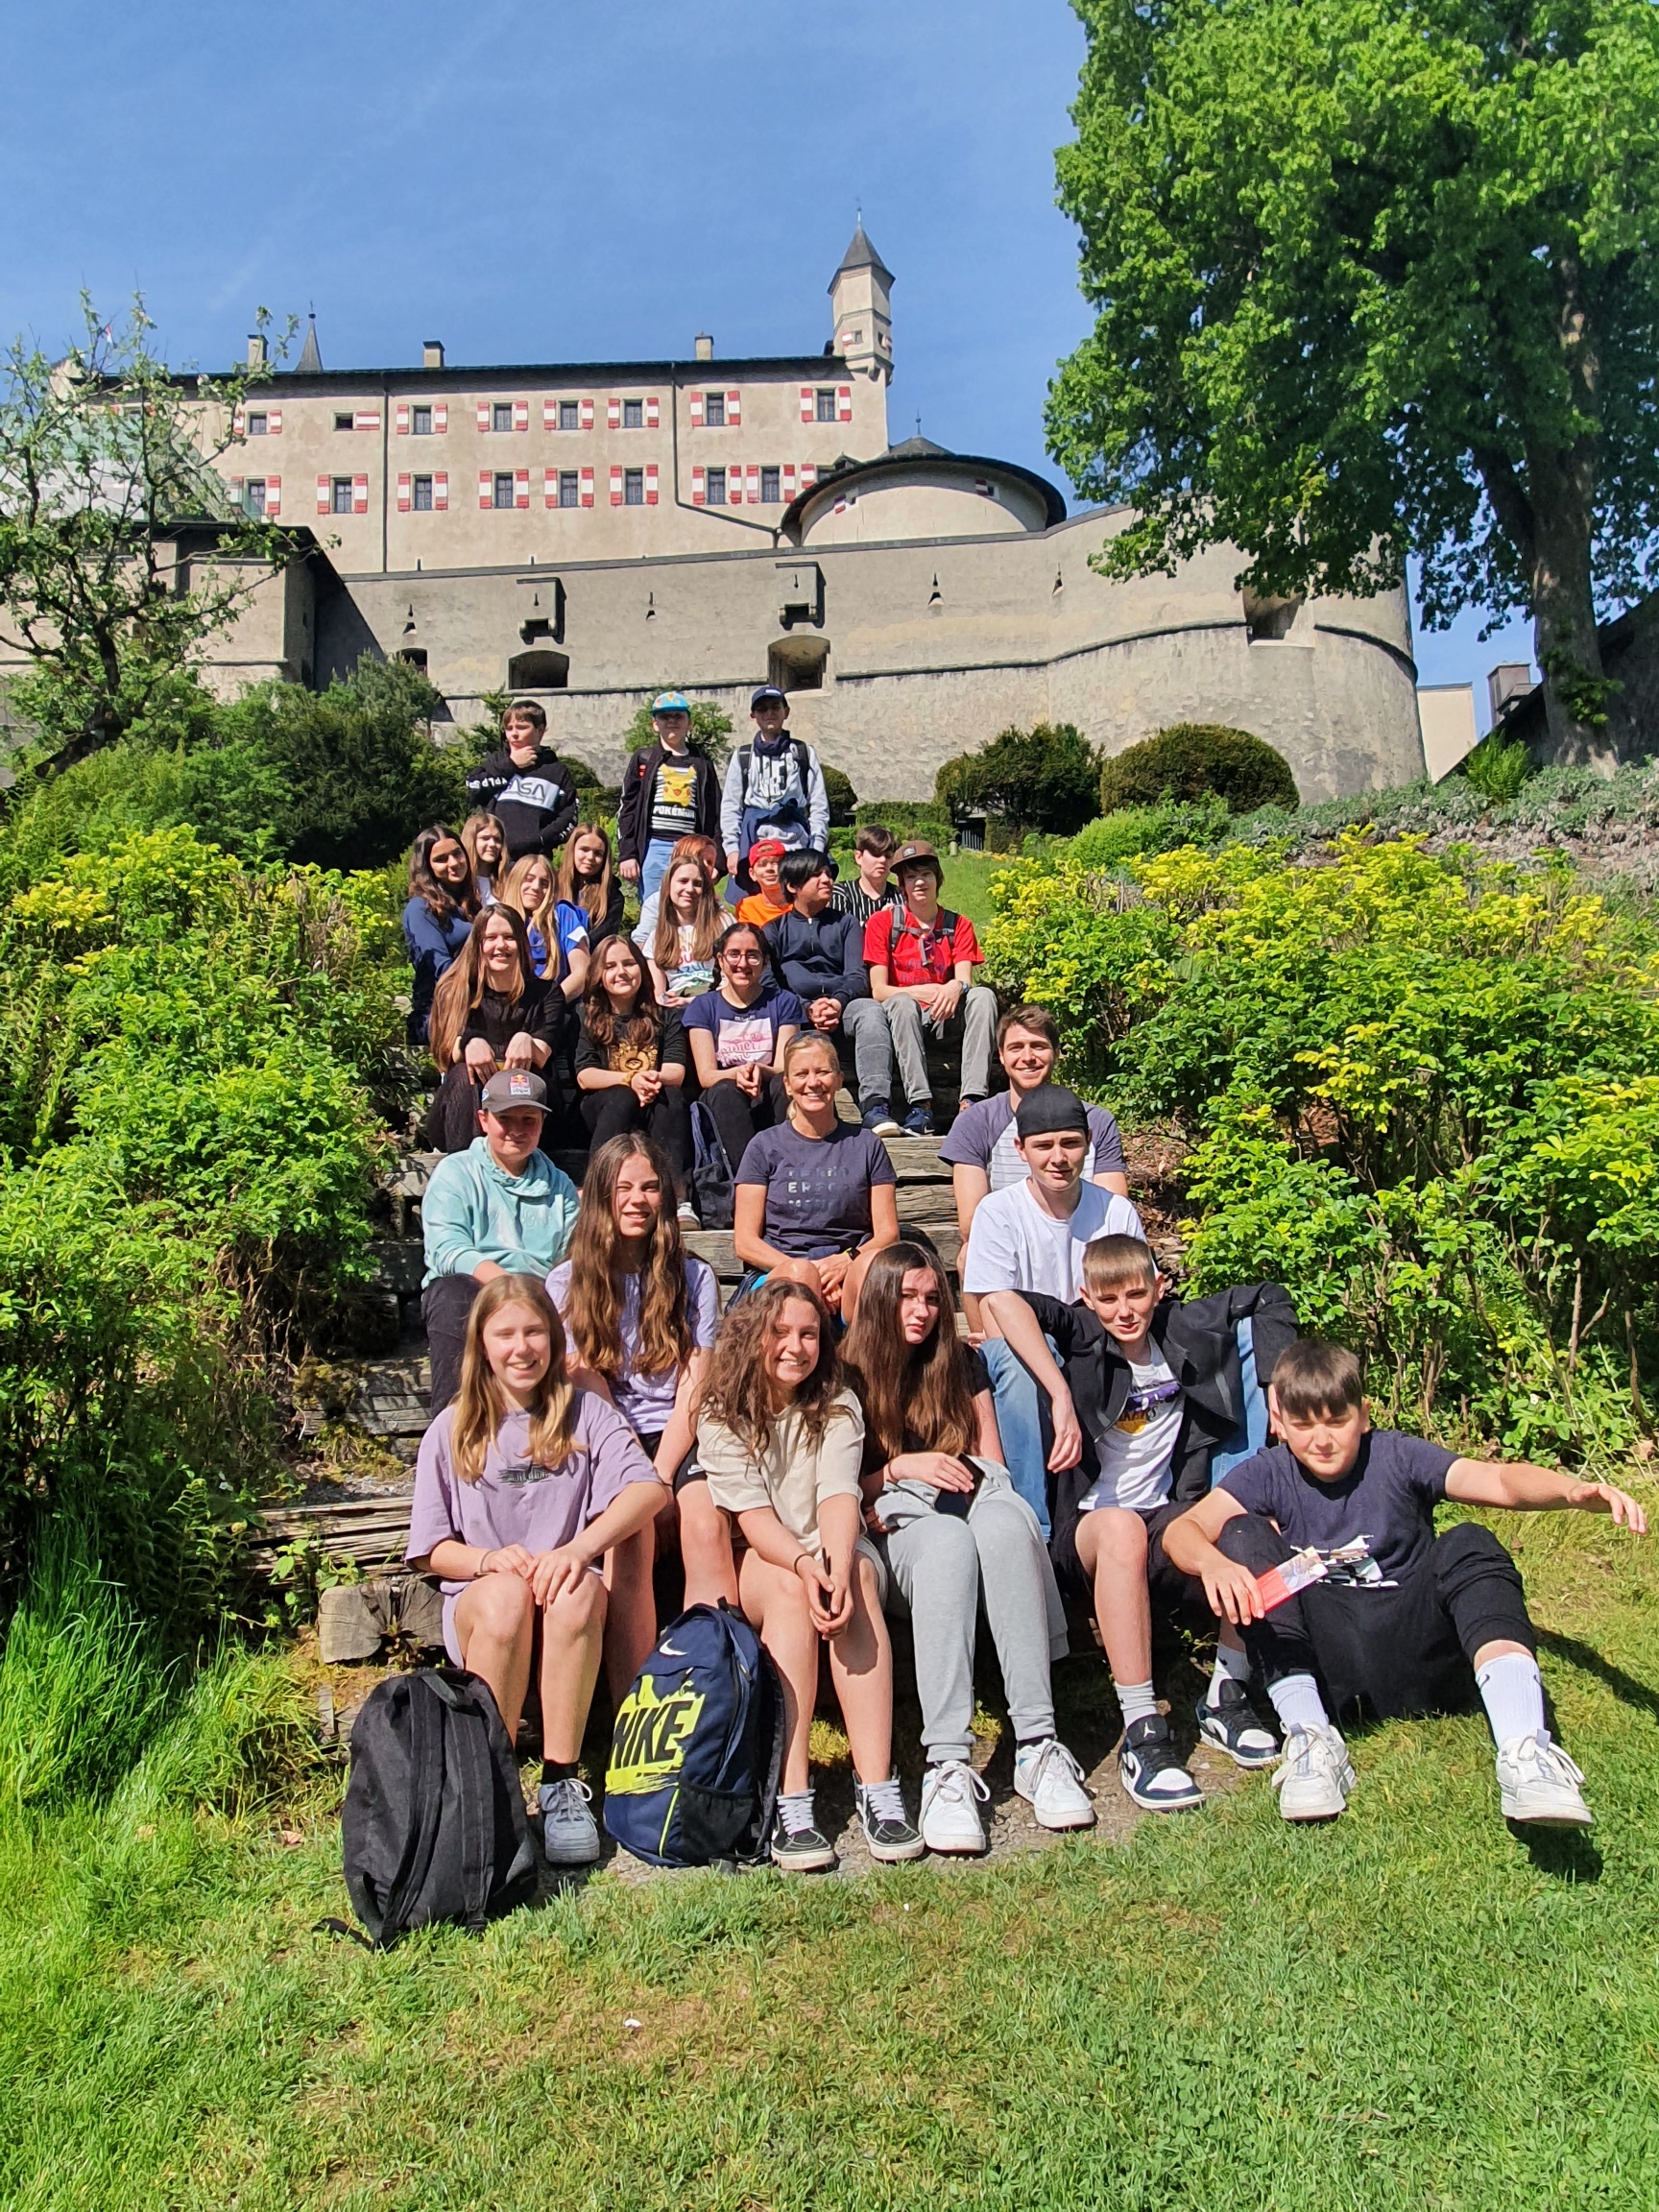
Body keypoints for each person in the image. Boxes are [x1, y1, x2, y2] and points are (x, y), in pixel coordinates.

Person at [1162, 1339, 1647, 1826]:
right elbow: (1182, 1531)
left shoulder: (1397, 1456)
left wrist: (1569, 1491)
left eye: (1336, 1421)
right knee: (1240, 1534)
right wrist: (1212, 1564)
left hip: (1420, 1655)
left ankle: (1525, 1755)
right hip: (1331, 1669)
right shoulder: (1269, 1472)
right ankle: (1311, 1742)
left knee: (1470, 1542)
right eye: (1304, 1424)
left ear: (1364, 1415)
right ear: (1280, 1423)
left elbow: (1498, 1482)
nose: (1321, 1439)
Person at [984, 1235, 1292, 1813]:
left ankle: (1226, 1690)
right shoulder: (1083, 1333)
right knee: (1122, 1525)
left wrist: (1275, 1385)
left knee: (1249, 1526)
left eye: (1136, 1294)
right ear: (1086, 1298)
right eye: (1108, 1298)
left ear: (1159, 1288)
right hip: (1089, 1530)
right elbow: (1000, 1301)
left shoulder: (1180, 1327)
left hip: (1166, 1515)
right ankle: (1143, 1728)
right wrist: (1057, 1394)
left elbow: (1269, 1298)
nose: (1124, 1311)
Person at [405, 1273, 664, 1864]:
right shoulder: (452, 1427)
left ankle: (560, 1782)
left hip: (565, 1605)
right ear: (482, 1345)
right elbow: (429, 1549)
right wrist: (490, 1561)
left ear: (553, 1337)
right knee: (505, 1599)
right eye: (505, 1335)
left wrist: (577, 1550)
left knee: (576, 1590)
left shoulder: (586, 1414)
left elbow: (646, 1491)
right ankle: (491, 1789)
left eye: (534, 1332)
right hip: (484, 1608)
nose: (521, 1348)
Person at [844, 1243, 1095, 1852]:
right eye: (908, 1296)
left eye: (933, 1298)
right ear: (879, 1298)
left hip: (970, 1494)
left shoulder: (959, 1361)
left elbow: (991, 1460)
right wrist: (903, 1468)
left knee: (1008, 1523)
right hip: (894, 1519)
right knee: (949, 1541)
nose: (924, 1310)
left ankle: (1037, 1743)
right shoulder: (844, 1372)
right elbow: (836, 1485)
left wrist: (976, 1484)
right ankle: (947, 1766)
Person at [697, 1279, 923, 1869]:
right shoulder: (722, 1411)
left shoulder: (840, 1401)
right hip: (765, 1556)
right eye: (781, 1333)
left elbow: (838, 1493)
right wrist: (803, 1564)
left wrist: (839, 1564)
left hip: (833, 1541)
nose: (796, 1347)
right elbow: (752, 1513)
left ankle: (877, 1786)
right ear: (754, 1337)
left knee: (861, 1583)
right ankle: (790, 1795)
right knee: (796, 1596)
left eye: (809, 1334)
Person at [547, 1135, 720, 1695]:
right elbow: (586, 1383)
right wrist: (639, 1479)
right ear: (600, 1196)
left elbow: (697, 1382)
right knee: (631, 1534)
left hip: (679, 1431)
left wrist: (663, 1474)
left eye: (649, 1187)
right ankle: (637, 1707)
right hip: (607, 1433)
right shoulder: (565, 1283)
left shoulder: (695, 1278)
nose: (638, 1199)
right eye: (623, 1187)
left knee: (706, 1523)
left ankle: (712, 1691)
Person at [963, 1086, 1143, 1534]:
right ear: (1020, 1150)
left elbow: (1132, 1305)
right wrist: (1058, 1391)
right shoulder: (998, 1212)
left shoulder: (1116, 1213)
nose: (1058, 1158)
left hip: (1097, 1346)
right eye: (1044, 1146)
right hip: (1025, 1351)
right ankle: (1034, 1530)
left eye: (1071, 1144)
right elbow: (995, 1320)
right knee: (1019, 1358)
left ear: (1088, 1146)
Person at [942, 1003, 1129, 1327]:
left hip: (1085, 1245)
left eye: (1039, 1046)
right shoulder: (976, 1122)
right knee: (970, 1253)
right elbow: (971, 1223)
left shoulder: (1096, 1120)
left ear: (1055, 1053)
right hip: (1012, 1249)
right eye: (1016, 1047)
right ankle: (990, 1351)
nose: (1027, 1057)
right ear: (1000, 1055)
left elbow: (1115, 1207)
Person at [420, 1069, 581, 1412]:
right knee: (452, 1296)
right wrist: (506, 1286)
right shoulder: (456, 1173)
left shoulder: (561, 1186)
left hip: (543, 1296)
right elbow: (446, 1249)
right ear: (483, 1119)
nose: (517, 1130)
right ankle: (451, 1434)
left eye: (528, 1119)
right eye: (505, 1118)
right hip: (473, 1290)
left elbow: (574, 1255)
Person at [733, 1033, 900, 1317]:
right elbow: (746, 1242)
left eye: (823, 1072)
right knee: (800, 1280)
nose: (813, 1082)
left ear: (838, 1079)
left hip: (848, 1272)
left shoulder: (866, 1144)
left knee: (867, 1283)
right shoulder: (763, 1146)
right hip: (778, 1272)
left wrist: (847, 1262)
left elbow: (888, 1233)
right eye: (801, 1074)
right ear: (787, 1085)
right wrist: (803, 1273)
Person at [864, 840, 998, 1137]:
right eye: (911, 877)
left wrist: (955, 985)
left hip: (945, 1015)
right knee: (900, 1001)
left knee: (983, 996)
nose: (920, 882)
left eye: (926, 874)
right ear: (902, 885)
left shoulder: (958, 924)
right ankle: (920, 1106)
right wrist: (922, 992)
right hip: (905, 1019)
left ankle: (972, 1100)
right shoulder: (883, 923)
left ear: (938, 878)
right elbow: (878, 989)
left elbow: (965, 979)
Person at [761, 849, 899, 1137]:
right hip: (796, 1013)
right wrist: (806, 1007)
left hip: (844, 1005)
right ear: (792, 886)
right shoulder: (774, 931)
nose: (827, 880)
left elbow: (857, 975)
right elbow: (770, 984)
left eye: (828, 873)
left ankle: (875, 1105)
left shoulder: (845, 923)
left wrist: (837, 1002)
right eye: (817, 874)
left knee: (872, 1011)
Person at [424, 904, 567, 1154]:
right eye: (491, 938)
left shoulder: (547, 993)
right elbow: (445, 1052)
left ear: (521, 944)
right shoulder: (456, 990)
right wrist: (470, 1042)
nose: (500, 945)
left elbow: (542, 1054)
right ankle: (466, 1171)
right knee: (462, 1072)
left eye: (509, 937)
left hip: (528, 1100)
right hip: (465, 1104)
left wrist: (527, 1039)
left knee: (527, 1073)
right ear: (478, 944)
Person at [574, 936, 694, 1211]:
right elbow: (585, 1075)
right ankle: (595, 1189)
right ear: (598, 975)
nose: (622, 972)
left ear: (642, 968)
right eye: (611, 966)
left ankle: (676, 1197)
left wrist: (651, 1080)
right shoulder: (586, 1016)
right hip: (605, 1108)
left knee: (671, 1097)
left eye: (629, 963)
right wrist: (630, 1080)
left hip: (655, 1104)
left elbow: (675, 1071)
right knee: (622, 1096)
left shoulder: (665, 1016)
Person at [680, 922, 804, 1169]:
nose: (743, 963)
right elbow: (706, 1075)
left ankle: (789, 1167)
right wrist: (740, 1073)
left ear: (765, 961)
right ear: (720, 960)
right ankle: (748, 1177)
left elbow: (783, 1066)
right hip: (724, 1094)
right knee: (725, 1091)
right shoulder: (703, 1006)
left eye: (752, 955)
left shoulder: (785, 1002)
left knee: (785, 1083)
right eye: (734, 954)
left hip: (768, 1090)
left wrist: (759, 1070)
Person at [719, 685, 830, 893]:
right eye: (762, 709)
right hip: (755, 839)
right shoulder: (742, 756)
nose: (769, 713)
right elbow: (731, 806)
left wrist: (816, 847)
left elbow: (819, 805)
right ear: (753, 715)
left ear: (785, 712)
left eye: (775, 707)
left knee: (798, 898)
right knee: (755, 904)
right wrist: (732, 848)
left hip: (795, 839)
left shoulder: (803, 753)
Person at [616, 692, 724, 901]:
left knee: (691, 907)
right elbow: (627, 807)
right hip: (654, 846)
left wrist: (716, 860)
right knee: (653, 907)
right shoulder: (644, 758)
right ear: (655, 724)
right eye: (665, 717)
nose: (672, 721)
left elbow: (715, 812)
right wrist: (628, 854)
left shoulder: (701, 762)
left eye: (678, 716)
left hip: (690, 848)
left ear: (689, 723)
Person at [466, 697, 580, 862]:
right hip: (494, 860)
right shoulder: (496, 761)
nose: (514, 734)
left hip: (534, 862)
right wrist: (511, 765)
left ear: (539, 730)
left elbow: (569, 815)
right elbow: (473, 789)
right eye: (509, 728)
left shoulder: (557, 771)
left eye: (522, 727)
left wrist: (541, 840)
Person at [402, 826, 478, 1047]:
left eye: (457, 853)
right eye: (441, 859)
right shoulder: (420, 909)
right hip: (440, 1015)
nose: (453, 863)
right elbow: (441, 967)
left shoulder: (470, 904)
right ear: (427, 867)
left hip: (474, 1007)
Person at [500, 853, 590, 1001]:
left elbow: (581, 972)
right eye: (528, 879)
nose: (536, 887)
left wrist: (550, 1005)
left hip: (553, 1009)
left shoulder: (563, 914)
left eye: (544, 883)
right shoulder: (498, 918)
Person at [638, 850, 721, 1007]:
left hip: (715, 1001)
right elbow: (659, 993)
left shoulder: (720, 925)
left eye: (697, 884)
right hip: (677, 1004)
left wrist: (692, 1001)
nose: (690, 889)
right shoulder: (657, 937)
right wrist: (669, 1001)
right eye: (683, 881)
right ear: (668, 886)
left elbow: (728, 983)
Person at [557, 820, 625, 948]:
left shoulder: (613, 897)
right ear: (572, 850)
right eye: (584, 850)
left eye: (598, 853)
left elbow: (601, 941)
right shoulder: (552, 885)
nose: (590, 857)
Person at [830, 822, 904, 929]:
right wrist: (878, 922)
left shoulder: (900, 897)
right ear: (859, 857)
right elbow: (838, 938)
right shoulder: (842, 895)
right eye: (876, 854)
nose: (883, 860)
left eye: (888, 856)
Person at [734, 838, 791, 927]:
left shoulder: (800, 904)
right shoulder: (746, 907)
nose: (769, 868)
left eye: (775, 862)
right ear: (752, 874)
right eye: (762, 864)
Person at [461, 810, 507, 904]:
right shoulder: (460, 882)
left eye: (497, 839)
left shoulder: (507, 882)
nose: (492, 844)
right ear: (471, 840)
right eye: (485, 838)